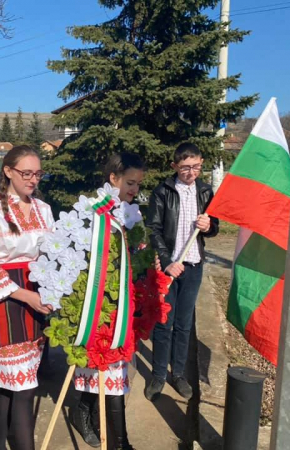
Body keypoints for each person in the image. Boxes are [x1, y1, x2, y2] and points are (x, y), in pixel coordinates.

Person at [0, 145, 54, 450]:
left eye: (38, 173)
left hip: (37, 295)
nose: (33, 180)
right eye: (26, 173)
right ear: (8, 171)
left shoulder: (44, 210)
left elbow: (53, 253)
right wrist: (23, 295)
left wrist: (50, 288)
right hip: (5, 300)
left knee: (19, 379)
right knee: (23, 386)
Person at [70, 153, 145, 450]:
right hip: (95, 307)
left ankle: (87, 413)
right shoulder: (92, 212)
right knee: (102, 368)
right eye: (130, 182)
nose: (134, 189)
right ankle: (119, 441)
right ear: (113, 178)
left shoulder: (129, 215)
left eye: (138, 184)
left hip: (121, 306)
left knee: (113, 371)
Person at [145, 142, 219, 402]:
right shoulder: (163, 192)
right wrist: (166, 261)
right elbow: (153, 229)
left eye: (197, 166)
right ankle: (158, 375)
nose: (191, 172)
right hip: (169, 268)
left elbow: (215, 227)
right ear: (174, 166)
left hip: (194, 266)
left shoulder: (206, 192)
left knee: (184, 325)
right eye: (186, 167)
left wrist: (208, 225)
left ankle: (178, 374)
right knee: (164, 323)